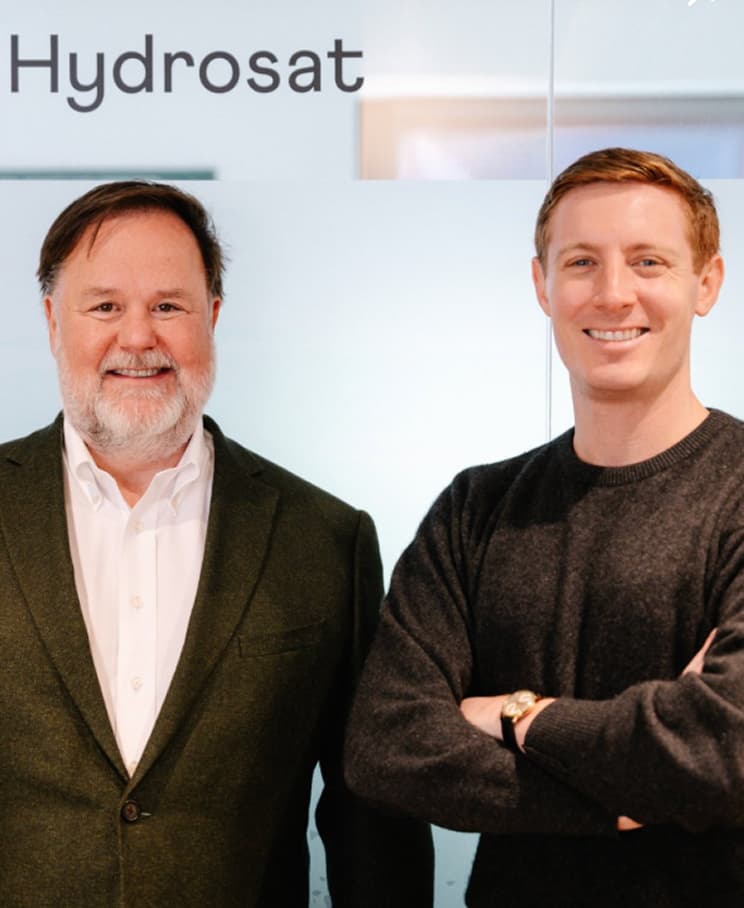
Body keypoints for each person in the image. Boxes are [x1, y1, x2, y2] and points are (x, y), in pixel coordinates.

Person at [0, 181, 433, 908]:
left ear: (214, 316)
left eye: (168, 306)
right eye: (104, 307)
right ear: (51, 321)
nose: (138, 338)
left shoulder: (324, 539)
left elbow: (373, 821)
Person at [345, 147, 744, 907]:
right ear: (542, 285)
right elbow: (386, 745)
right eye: (582, 263)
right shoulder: (476, 508)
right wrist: (621, 797)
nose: (614, 293)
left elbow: (723, 751)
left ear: (707, 283)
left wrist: (516, 716)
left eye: (649, 261)